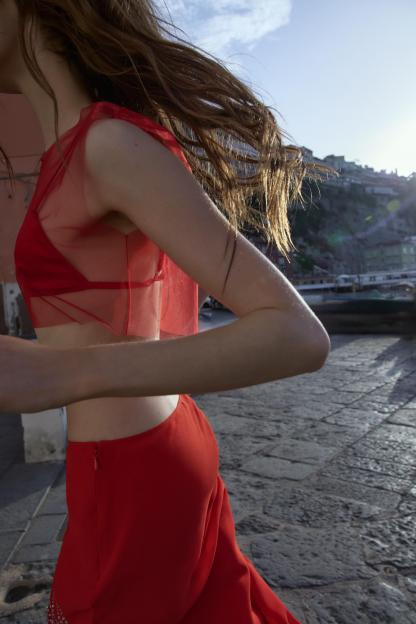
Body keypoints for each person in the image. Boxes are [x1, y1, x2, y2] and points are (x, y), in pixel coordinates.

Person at [0, 1, 336, 622]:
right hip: (132, 453)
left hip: (134, 465)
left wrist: (62, 372)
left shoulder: (105, 144)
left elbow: (297, 334)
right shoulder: (69, 153)